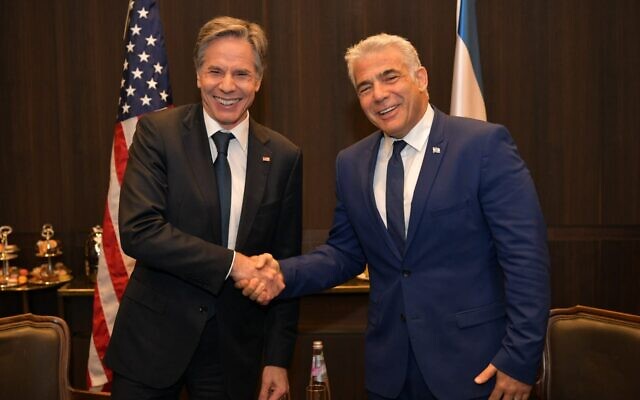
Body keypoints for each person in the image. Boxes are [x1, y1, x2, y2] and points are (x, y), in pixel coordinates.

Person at [240, 33, 550, 400]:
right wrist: (281, 273)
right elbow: (344, 253)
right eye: (365, 87)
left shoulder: (482, 146)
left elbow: (526, 260)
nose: (379, 95)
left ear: (421, 78)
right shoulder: (351, 163)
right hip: (390, 373)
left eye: (390, 77)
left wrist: (520, 358)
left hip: (477, 369)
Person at [105, 16, 301, 400]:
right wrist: (234, 263)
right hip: (153, 343)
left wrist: (277, 358)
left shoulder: (283, 155)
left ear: (258, 81)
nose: (227, 86)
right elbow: (139, 231)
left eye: (242, 73)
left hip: (234, 351)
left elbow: (284, 260)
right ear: (198, 75)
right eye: (215, 71)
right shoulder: (158, 133)